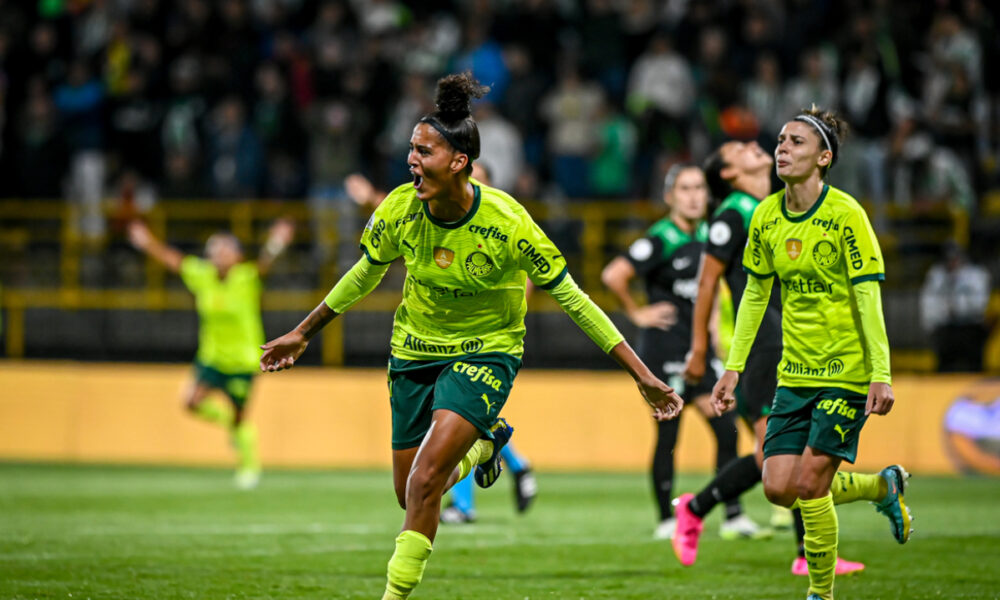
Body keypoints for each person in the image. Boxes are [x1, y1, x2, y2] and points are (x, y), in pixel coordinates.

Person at [258, 73, 683, 600]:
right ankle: (486, 447)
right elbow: (366, 272)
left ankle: (392, 596)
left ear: (459, 161)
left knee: (424, 481)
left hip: (487, 351)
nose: (411, 161)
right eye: (411, 150)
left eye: (423, 151)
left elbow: (575, 299)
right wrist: (303, 332)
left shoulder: (508, 223)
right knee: (411, 493)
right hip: (414, 351)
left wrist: (642, 376)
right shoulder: (400, 208)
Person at [709, 106, 913, 600]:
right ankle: (881, 487)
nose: (782, 147)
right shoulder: (765, 216)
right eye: (781, 139)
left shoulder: (846, 215)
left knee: (811, 484)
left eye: (796, 142)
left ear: (824, 158)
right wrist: (733, 367)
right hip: (794, 373)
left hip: (846, 371)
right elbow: (754, 295)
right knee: (779, 487)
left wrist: (880, 373)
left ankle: (820, 593)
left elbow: (868, 297)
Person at [673, 141, 865, 575]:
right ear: (728, 173)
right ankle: (802, 552)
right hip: (761, 344)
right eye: (737, 149)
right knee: (783, 453)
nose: (752, 146)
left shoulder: (777, 208)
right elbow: (707, 283)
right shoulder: (735, 213)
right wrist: (699, 349)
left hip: (789, 339)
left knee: (782, 455)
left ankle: (699, 509)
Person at [346, 162, 540, 523]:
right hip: (434, 340)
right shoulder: (436, 217)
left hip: (482, 344)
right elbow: (403, 211)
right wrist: (371, 198)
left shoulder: (503, 228)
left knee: (452, 423)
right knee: (457, 425)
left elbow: (523, 289)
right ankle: (512, 462)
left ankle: (467, 503)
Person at [601, 164, 762, 541]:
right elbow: (613, 275)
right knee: (669, 435)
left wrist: (715, 330)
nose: (693, 197)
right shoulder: (662, 238)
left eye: (699, 189)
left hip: (700, 353)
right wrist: (637, 312)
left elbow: (713, 290)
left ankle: (733, 515)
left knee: (727, 430)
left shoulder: (711, 235)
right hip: (665, 353)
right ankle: (666, 519)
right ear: (670, 196)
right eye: (685, 189)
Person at [127, 218, 294, 489]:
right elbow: (173, 260)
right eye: (213, 250)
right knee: (190, 402)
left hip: (242, 360)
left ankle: (249, 467)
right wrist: (146, 242)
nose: (218, 255)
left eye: (224, 250)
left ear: (237, 256)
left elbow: (265, 264)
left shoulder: (246, 278)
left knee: (240, 416)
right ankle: (232, 427)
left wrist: (277, 243)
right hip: (212, 357)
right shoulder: (202, 275)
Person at [919, 241, 992, 372]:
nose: (952, 262)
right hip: (945, 328)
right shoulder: (936, 275)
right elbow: (928, 304)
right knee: (944, 362)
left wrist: (958, 307)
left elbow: (980, 304)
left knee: (974, 362)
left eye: (955, 258)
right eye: (949, 259)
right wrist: (941, 315)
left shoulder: (976, 275)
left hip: (971, 326)